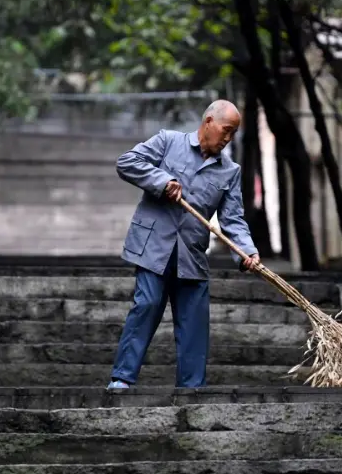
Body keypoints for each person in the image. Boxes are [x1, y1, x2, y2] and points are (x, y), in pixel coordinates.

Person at [107, 100, 260, 389]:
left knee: (194, 324)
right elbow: (126, 162)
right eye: (226, 130)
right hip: (153, 246)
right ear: (208, 122)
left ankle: (192, 390)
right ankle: (121, 378)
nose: (228, 139)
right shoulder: (168, 141)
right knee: (147, 305)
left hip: (191, 253)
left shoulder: (230, 171)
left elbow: (233, 219)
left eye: (233, 134)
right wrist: (162, 181)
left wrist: (246, 251)